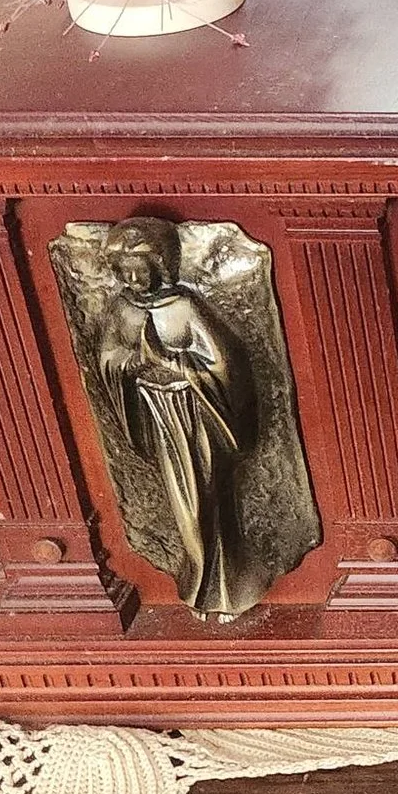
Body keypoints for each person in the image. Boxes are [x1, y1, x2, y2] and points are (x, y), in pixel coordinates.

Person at [94, 219, 259, 617]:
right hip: (158, 419)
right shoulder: (123, 309)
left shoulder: (184, 307)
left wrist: (173, 364)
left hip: (197, 418)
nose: (134, 278)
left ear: (161, 265)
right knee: (183, 507)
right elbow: (108, 360)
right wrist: (131, 363)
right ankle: (198, 586)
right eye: (126, 270)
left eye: (142, 268)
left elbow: (221, 364)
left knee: (208, 502)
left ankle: (225, 588)